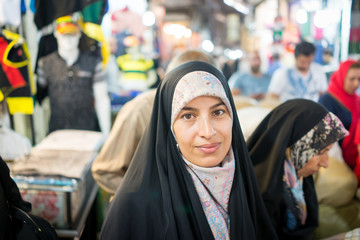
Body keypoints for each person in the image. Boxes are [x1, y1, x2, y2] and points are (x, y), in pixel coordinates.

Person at [100, 61, 278, 239]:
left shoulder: (244, 183)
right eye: (188, 116)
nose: (208, 132)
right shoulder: (135, 208)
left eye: (218, 112)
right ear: (169, 127)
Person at [91, 49, 217, 195]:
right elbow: (106, 170)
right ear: (167, 80)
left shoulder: (220, 113)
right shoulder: (140, 110)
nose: (207, 131)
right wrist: (145, 200)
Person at [246, 99, 348, 240]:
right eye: (320, 152)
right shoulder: (261, 193)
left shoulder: (296, 174)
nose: (326, 164)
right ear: (295, 147)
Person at [36, 15, 111, 136]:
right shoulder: (45, 64)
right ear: (56, 34)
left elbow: (102, 99)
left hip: (88, 131)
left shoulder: (93, 62)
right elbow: (39, 95)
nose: (68, 40)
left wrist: (107, 134)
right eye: (64, 35)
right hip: (57, 132)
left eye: (72, 35)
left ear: (79, 35)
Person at [318, 60, 360, 188]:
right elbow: (324, 134)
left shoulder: (356, 100)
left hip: (355, 155)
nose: (356, 84)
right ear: (342, 76)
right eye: (352, 79)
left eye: (359, 79)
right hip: (335, 158)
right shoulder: (327, 100)